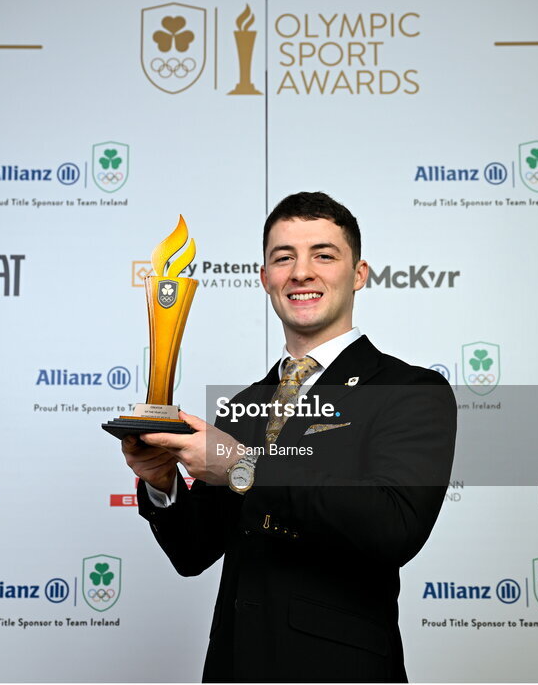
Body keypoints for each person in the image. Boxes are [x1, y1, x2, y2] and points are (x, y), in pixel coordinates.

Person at [122, 192, 456, 683]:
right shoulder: (243, 405)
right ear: (265, 279)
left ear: (359, 274)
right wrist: (161, 482)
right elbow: (193, 553)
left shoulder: (409, 391)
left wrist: (243, 468)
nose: (301, 272)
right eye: (284, 257)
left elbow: (393, 528)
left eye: (323, 254)